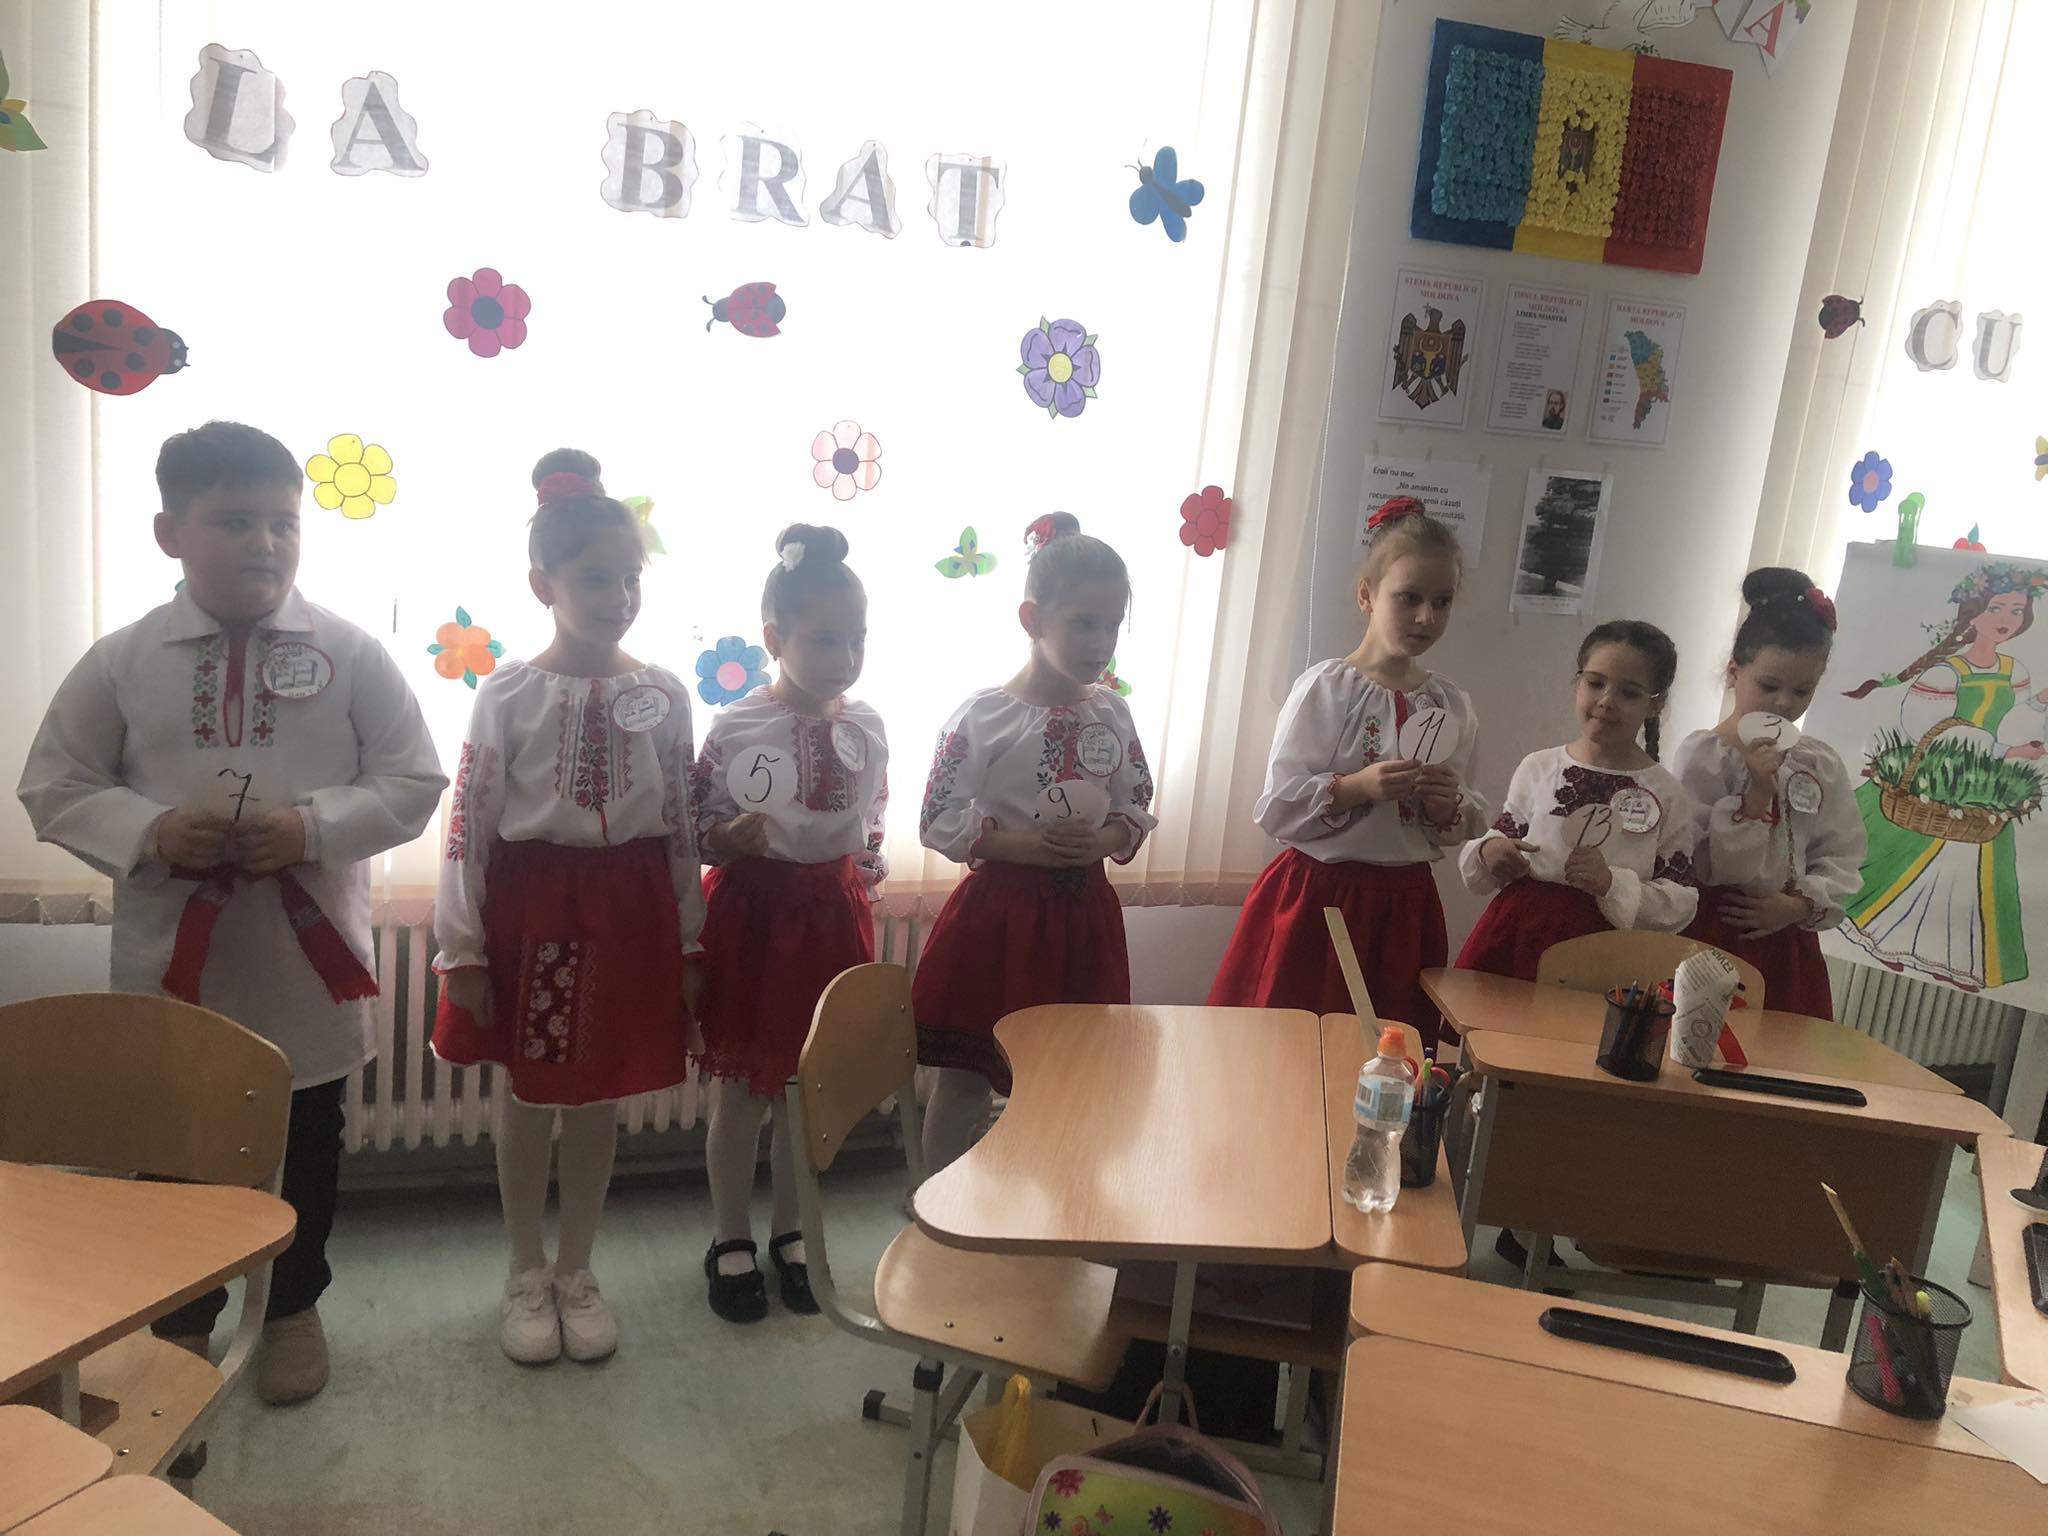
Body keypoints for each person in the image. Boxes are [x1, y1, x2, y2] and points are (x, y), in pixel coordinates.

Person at [17, 420, 446, 1404]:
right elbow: (54, 784)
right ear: (170, 532)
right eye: (235, 521)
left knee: (306, 1145)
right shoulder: (123, 661)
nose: (265, 542)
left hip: (306, 967)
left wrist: (312, 828)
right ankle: (180, 1319)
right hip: (175, 969)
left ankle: (291, 1306)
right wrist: (153, 830)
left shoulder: (348, 652)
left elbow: (414, 779)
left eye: (283, 523)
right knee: (173, 1151)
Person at [432, 462, 703, 1365]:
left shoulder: (666, 693)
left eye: (631, 578)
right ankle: (525, 1270)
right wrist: (463, 948)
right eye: (596, 578)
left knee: (598, 1097)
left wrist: (690, 937)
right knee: (530, 1093)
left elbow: (682, 823)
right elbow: (468, 825)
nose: (619, 597)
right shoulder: (507, 693)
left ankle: (578, 1269)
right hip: (538, 911)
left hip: (631, 912)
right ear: (543, 584)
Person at [912, 513, 1156, 1173]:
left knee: (1068, 1078)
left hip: (1084, 920)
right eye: (1083, 623)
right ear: (1032, 619)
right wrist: (1024, 847)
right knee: (966, 1083)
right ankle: (936, 1205)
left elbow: (1136, 803)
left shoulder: (1112, 711)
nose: (1099, 641)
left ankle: (1051, 1201)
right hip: (999, 919)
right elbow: (936, 818)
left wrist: (1102, 839)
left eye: (1112, 625)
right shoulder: (984, 715)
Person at [692, 524, 887, 1323]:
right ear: (775, 639)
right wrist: (726, 840)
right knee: (742, 1093)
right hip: (753, 918)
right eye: (824, 639)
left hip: (832, 919)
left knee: (807, 1095)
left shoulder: (869, 725)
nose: (845, 657)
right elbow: (697, 826)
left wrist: (862, 873)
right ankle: (730, 1236)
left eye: (857, 639)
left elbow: (870, 824)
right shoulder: (736, 725)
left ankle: (791, 1232)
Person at [1207, 498, 1485, 1047]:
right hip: (1320, 899)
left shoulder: (1451, 704)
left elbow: (1463, 814)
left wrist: (1445, 805)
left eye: (1442, 602)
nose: (1426, 617)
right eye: (1409, 598)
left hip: (1404, 908)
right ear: (1367, 596)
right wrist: (1357, 787)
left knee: (1383, 1049)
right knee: (1291, 1043)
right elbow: (1278, 806)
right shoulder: (1327, 689)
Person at [1836, 563, 2048, 991]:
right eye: (1996, 608)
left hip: (1984, 793)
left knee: (1966, 879)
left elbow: (2013, 723)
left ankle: (1952, 960)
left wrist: (2038, 708)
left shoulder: (2016, 671)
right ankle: (1884, 937)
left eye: (2016, 610)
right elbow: (1927, 731)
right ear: (1973, 612)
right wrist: (2003, 751)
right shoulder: (1945, 673)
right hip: (1937, 782)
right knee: (1911, 867)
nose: (2006, 620)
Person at [1457, 620, 1699, 982]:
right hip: (1518, 934)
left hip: (1602, 951)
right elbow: (1505, 834)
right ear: (1578, 683)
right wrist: (1490, 851)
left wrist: (1612, 884)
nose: (1607, 701)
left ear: (1656, 704)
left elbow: (1679, 901)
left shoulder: (1665, 793)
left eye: (1629, 693)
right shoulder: (1540, 766)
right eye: (1596, 683)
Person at [1675, 569, 1863, 1018]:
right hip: (1712, 933)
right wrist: (1756, 797)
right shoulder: (1705, 755)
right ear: (1734, 673)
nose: (1784, 703)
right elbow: (1700, 862)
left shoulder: (1818, 763)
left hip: (1786, 941)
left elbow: (1841, 853)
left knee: (1781, 1048)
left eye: (1802, 691)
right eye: (1769, 686)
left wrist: (1798, 905)